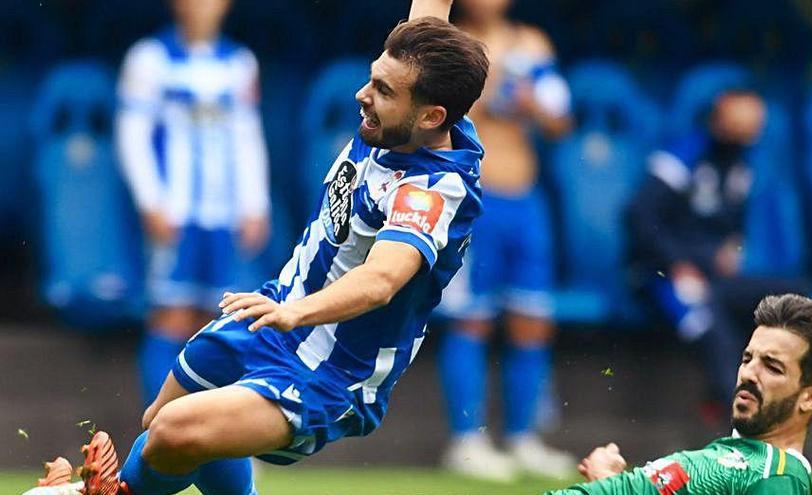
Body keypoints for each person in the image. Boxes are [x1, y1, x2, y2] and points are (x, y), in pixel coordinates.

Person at [25, 1, 488, 494]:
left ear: (431, 116)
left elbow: (381, 281)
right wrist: (286, 313)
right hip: (273, 316)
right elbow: (429, 14)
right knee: (160, 422)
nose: (362, 94)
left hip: (330, 372)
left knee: (175, 431)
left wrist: (296, 314)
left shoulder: (433, 190)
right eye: (372, 78)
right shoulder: (410, 98)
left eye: (382, 90)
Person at [437, 0, 574, 481]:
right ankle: (466, 440)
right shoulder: (445, 39)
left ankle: (522, 437)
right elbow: (438, 115)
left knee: (532, 320)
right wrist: (489, 85)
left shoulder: (533, 41)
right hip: (476, 194)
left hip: (526, 198)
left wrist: (536, 104)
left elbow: (561, 122)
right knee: (470, 320)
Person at [115, 0, 271, 407]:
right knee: (171, 315)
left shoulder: (240, 62)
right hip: (176, 214)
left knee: (222, 323)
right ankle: (158, 430)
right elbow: (132, 134)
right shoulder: (149, 59)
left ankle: (218, 436)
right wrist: (151, 201)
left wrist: (256, 204)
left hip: (224, 216)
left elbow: (247, 136)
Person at [545, 293, 812, 495]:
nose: (749, 373)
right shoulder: (739, 458)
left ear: (811, 397)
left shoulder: (775, 476)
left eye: (772, 367)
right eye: (748, 359)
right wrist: (608, 484)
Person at [627, 90, 807, 426]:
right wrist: (676, 263)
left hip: (713, 277)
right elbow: (640, 216)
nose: (747, 126)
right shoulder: (682, 156)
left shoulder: (743, 163)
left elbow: (729, 230)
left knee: (792, 298)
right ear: (718, 116)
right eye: (738, 117)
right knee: (713, 329)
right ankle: (740, 434)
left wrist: (731, 249)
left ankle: (777, 415)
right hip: (663, 275)